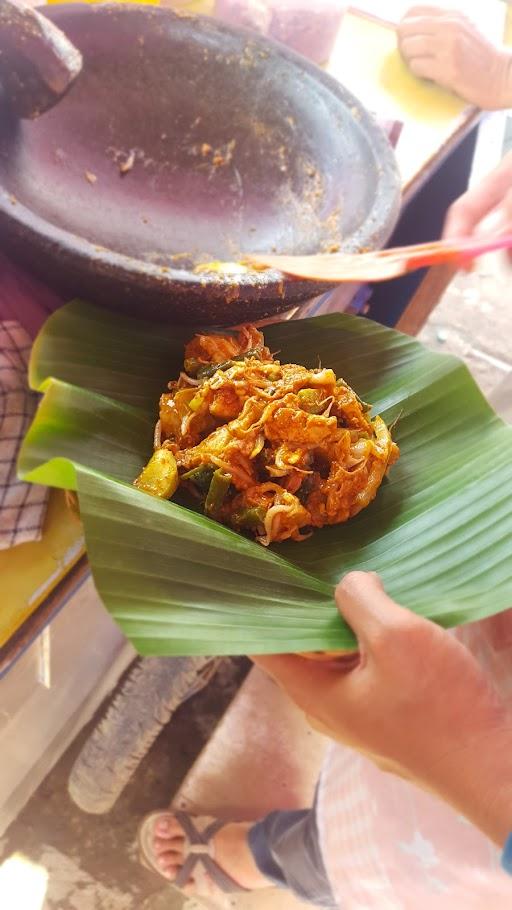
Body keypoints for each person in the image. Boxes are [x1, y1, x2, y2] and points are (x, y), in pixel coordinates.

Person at [138, 158, 512, 909]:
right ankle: (260, 850)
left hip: (460, 865)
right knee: (340, 811)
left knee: (352, 862)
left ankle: (250, 861)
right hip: (452, 708)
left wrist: (477, 768)